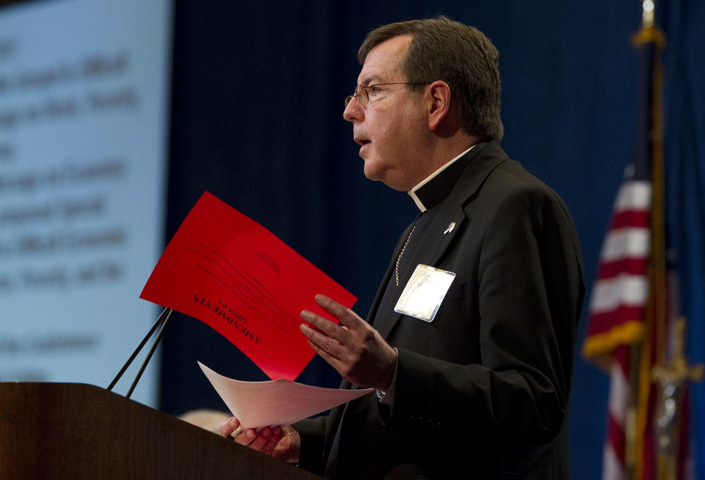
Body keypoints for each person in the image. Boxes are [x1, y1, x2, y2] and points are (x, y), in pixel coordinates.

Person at [220, 16, 585, 480]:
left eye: (372, 90)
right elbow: (398, 412)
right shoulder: (423, 225)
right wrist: (304, 440)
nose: (351, 110)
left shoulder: (515, 206)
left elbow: (533, 401)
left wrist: (393, 373)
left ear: (435, 102)